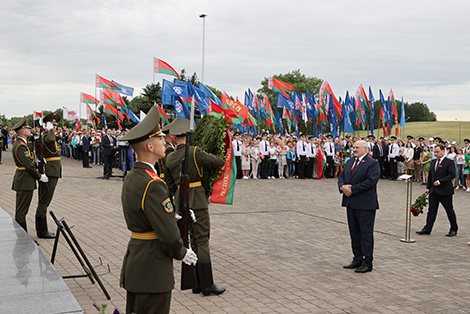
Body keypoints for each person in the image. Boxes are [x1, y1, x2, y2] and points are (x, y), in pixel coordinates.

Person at [119, 107, 197, 314]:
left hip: (137, 260)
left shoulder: (133, 176)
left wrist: (173, 216)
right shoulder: (153, 184)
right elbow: (169, 236)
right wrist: (181, 252)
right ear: (149, 145)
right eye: (160, 139)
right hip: (152, 268)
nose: (165, 142)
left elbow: (146, 215)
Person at [164, 118, 226, 296]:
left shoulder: (170, 157)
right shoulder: (195, 152)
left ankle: (197, 283)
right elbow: (218, 162)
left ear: (175, 137)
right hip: (197, 201)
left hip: (180, 202)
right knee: (202, 240)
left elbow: (168, 186)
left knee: (189, 238)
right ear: (189, 136)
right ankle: (207, 284)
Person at [338, 140, 380, 273]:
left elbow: (371, 182)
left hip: (365, 204)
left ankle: (367, 262)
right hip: (351, 204)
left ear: (365, 149)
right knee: (354, 232)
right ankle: (357, 259)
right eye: (354, 147)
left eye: (357, 147)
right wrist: (342, 186)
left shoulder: (372, 163)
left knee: (365, 234)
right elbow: (342, 176)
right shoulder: (350, 162)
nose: (354, 149)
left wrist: (353, 189)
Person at [11, 116, 49, 233]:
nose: (29, 130)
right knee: (22, 211)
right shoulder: (21, 146)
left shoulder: (23, 143)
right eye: (27, 128)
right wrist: (39, 176)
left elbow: (30, 162)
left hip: (24, 180)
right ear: (22, 131)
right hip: (24, 181)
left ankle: (23, 238)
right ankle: (23, 239)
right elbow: (28, 166)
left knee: (22, 210)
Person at [416, 144, 458, 236]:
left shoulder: (449, 162)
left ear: (443, 151)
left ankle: (454, 229)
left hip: (445, 191)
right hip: (434, 191)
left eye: (437, 152)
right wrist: (428, 187)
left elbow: (452, 175)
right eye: (434, 152)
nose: (435, 154)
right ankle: (427, 228)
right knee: (431, 210)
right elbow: (431, 176)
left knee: (449, 210)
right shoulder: (433, 161)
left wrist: (440, 181)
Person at [35, 113, 63, 238]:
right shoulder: (47, 137)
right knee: (44, 201)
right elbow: (51, 140)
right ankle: (42, 231)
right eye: (53, 125)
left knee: (44, 201)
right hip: (50, 171)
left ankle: (42, 230)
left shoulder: (46, 136)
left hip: (52, 170)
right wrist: (50, 129)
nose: (55, 128)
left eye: (55, 125)